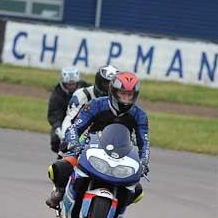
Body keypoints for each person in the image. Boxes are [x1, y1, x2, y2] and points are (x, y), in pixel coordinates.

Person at [45, 71, 150, 210]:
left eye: (129, 95)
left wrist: (143, 161)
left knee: (137, 191)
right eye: (122, 93)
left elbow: (144, 141)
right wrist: (73, 142)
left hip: (121, 153)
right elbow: (75, 128)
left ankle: (118, 210)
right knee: (58, 168)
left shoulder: (139, 115)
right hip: (89, 146)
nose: (125, 98)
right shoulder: (95, 105)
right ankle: (60, 191)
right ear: (113, 91)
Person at [58, 65, 118, 142]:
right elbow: (70, 119)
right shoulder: (82, 95)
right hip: (84, 138)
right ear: (99, 82)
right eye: (107, 83)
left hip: (111, 139)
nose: (110, 87)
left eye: (113, 84)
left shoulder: (121, 99)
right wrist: (66, 139)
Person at [47, 67, 88, 153]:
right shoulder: (57, 94)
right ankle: (63, 155)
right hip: (65, 121)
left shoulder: (86, 89)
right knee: (55, 139)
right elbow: (54, 114)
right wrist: (59, 129)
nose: (71, 87)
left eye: (73, 84)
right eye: (68, 84)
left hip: (85, 118)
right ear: (63, 83)